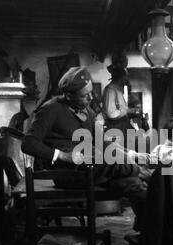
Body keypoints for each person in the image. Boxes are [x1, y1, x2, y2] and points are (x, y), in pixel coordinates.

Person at [21, 66, 147, 228]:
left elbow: (103, 142)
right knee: (116, 164)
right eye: (84, 95)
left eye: (90, 92)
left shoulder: (85, 110)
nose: (90, 98)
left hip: (88, 169)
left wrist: (131, 154)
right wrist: (62, 155)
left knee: (132, 183)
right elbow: (28, 143)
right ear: (68, 95)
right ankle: (146, 173)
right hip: (67, 174)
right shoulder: (51, 109)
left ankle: (147, 234)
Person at [102, 67, 140, 139]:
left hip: (121, 127)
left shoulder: (117, 89)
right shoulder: (110, 90)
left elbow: (120, 108)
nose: (126, 80)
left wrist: (129, 111)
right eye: (125, 77)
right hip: (116, 128)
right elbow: (111, 114)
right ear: (121, 77)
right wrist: (127, 111)